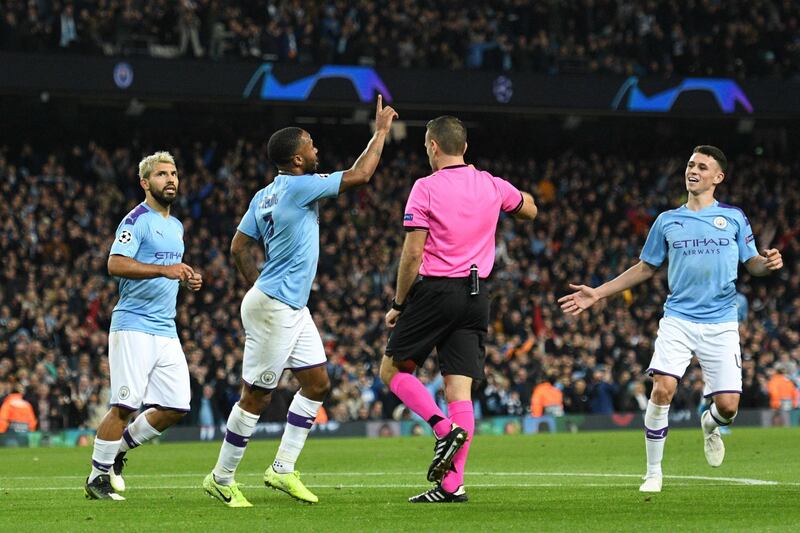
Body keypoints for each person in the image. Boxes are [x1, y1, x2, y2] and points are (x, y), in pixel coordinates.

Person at [203, 95, 398, 507]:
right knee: (256, 395)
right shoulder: (300, 186)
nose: (316, 150)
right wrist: (380, 133)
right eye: (310, 144)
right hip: (276, 304)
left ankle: (282, 468)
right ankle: (221, 477)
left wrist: (257, 285)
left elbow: (238, 246)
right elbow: (361, 174)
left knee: (317, 383)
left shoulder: (264, 195)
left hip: (284, 303)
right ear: (296, 159)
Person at [558, 145, 783, 493]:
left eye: (703, 167)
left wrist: (766, 264)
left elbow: (751, 262)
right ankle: (652, 473)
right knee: (662, 389)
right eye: (691, 165)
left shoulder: (734, 218)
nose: (693, 170)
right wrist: (599, 293)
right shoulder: (667, 221)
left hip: (721, 322)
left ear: (718, 177)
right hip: (678, 318)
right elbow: (646, 266)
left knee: (728, 407)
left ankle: (710, 424)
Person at [380, 115, 537, 503]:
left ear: (433, 146)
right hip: (477, 295)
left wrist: (399, 303)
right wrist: (513, 202)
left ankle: (440, 428)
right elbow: (530, 209)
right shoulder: (491, 184)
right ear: (464, 147)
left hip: (437, 290)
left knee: (392, 369)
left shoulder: (425, 188)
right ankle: (452, 486)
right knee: (459, 389)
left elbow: (413, 251)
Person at [84, 152, 203, 501]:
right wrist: (165, 271)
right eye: (162, 174)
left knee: (177, 405)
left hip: (165, 328)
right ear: (145, 183)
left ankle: (118, 449)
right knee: (124, 406)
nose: (171, 179)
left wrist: (185, 278)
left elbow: (166, 266)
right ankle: (96, 478)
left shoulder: (176, 226)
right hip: (133, 324)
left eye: (174, 173)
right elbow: (115, 264)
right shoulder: (135, 220)